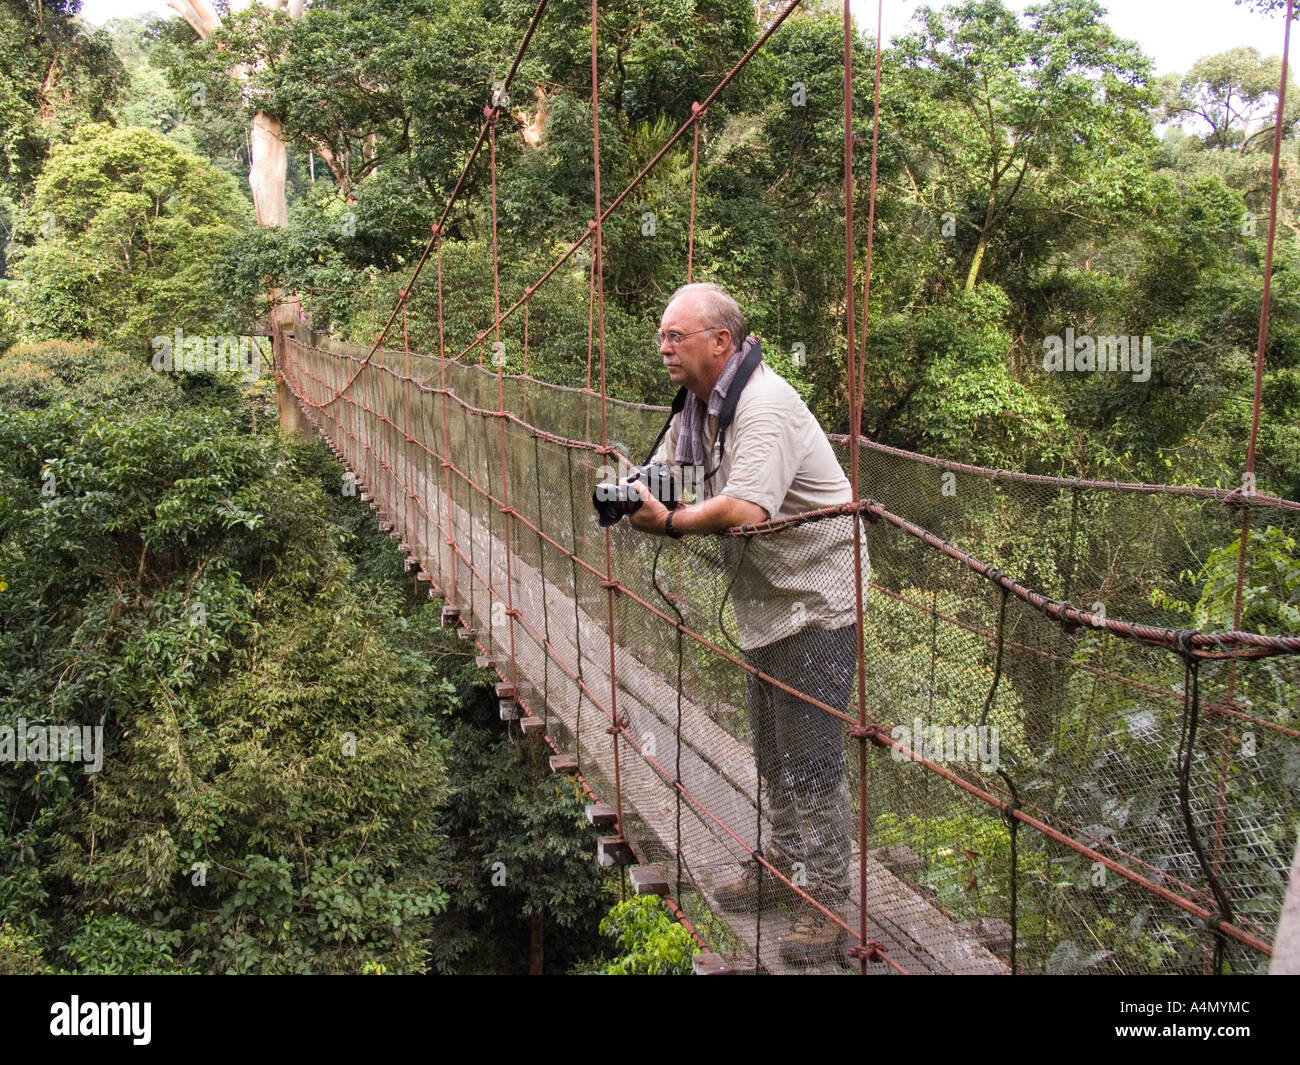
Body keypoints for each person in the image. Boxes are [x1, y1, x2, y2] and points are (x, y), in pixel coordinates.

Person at [626, 282, 863, 966]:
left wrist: (666, 522)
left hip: (818, 597)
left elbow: (745, 510)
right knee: (769, 747)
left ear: (721, 342)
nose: (663, 347)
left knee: (813, 753)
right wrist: (630, 494)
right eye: (662, 336)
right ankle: (782, 865)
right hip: (766, 601)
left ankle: (825, 900)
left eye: (677, 336)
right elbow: (669, 473)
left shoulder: (765, 404)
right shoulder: (699, 409)